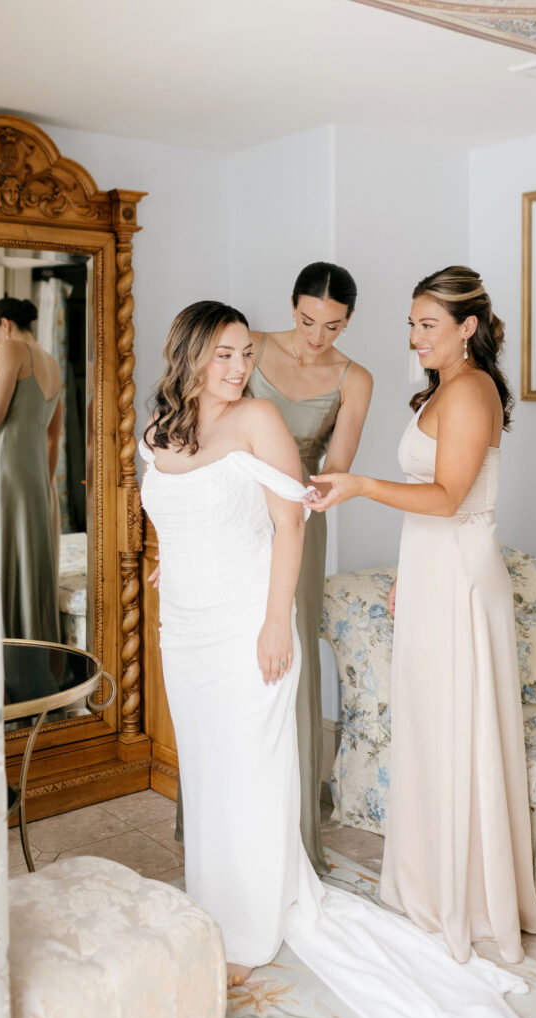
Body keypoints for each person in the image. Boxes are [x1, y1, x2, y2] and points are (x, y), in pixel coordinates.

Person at [140, 299, 529, 1018]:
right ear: (188, 354)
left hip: (244, 618)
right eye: (222, 355)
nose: (237, 369)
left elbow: (288, 520)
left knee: (252, 768)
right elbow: (181, 510)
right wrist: (176, 559)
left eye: (244, 355)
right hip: (182, 624)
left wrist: (273, 625)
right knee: (207, 764)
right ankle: (213, 898)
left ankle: (252, 926)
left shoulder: (257, 420)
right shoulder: (160, 428)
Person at [306, 266, 536, 964]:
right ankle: (434, 881)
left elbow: (447, 498)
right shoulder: (447, 387)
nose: (414, 337)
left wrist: (356, 486)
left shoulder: (470, 390)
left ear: (466, 328)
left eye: (427, 324)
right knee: (431, 728)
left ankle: (465, 897)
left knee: (454, 730)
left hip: (461, 582)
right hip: (433, 573)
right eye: (411, 322)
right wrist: (407, 576)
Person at [173, 262, 373, 874]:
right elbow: (199, 426)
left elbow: (334, 465)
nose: (317, 337)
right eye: (308, 320)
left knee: (286, 659)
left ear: (349, 322)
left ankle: (288, 835)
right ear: (292, 307)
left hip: (297, 521)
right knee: (227, 667)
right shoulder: (245, 348)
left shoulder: (355, 378)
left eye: (333, 326)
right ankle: (218, 824)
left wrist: (302, 493)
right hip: (231, 515)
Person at [0, 297, 61, 641]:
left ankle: (4, 645)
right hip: (35, 476)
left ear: (4, 324)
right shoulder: (54, 363)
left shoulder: (13, 349)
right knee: (27, 557)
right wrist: (45, 487)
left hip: (7, 469)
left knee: (4, 554)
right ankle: (32, 643)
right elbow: (52, 439)